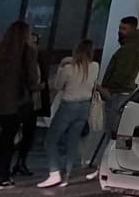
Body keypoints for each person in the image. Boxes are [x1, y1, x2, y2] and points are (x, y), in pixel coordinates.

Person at [37, 39, 98, 189]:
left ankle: (54, 172)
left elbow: (58, 85)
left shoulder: (68, 68)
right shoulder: (95, 66)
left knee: (51, 140)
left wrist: (61, 66)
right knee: (73, 141)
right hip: (84, 106)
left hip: (68, 106)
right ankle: (67, 175)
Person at [88, 16, 139, 173]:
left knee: (112, 131)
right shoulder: (134, 47)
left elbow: (121, 73)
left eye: (124, 29)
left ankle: (106, 164)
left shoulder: (128, 49)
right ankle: (109, 164)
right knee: (115, 131)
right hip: (121, 92)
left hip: (117, 93)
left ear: (132, 29)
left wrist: (107, 89)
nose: (120, 32)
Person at [0, 21, 40, 188]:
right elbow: (32, 79)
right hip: (15, 102)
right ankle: (3, 176)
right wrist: (37, 88)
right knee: (7, 140)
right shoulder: (29, 51)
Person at [12, 27, 44, 177]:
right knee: (13, 134)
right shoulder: (19, 61)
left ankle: (20, 162)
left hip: (33, 104)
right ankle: (12, 163)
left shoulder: (37, 61)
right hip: (22, 103)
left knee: (27, 135)